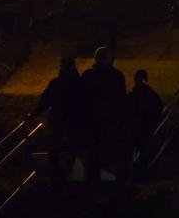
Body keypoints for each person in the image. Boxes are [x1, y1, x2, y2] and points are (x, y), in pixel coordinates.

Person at [28, 56, 82, 186]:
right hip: (71, 120)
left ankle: (57, 176)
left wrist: (34, 114)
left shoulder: (57, 83)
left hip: (60, 120)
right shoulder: (79, 83)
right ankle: (66, 175)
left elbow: (45, 101)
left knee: (56, 147)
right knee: (68, 148)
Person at [81, 47, 127, 181]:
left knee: (93, 161)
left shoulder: (88, 75)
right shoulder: (116, 76)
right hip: (108, 123)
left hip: (93, 122)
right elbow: (121, 99)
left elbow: (81, 99)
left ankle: (93, 189)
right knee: (107, 158)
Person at [129, 70, 163, 163]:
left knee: (141, 150)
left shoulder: (135, 95)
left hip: (141, 127)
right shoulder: (151, 95)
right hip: (141, 127)